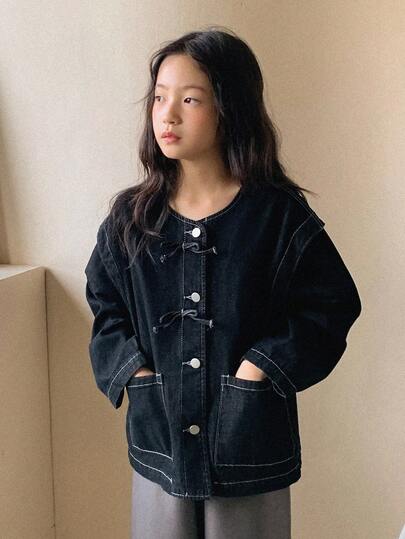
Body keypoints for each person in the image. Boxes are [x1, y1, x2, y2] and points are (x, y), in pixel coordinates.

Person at [84, 26, 362, 539]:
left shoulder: (277, 216)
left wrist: (259, 369)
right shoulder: (130, 218)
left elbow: (331, 305)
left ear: (229, 108)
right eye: (159, 98)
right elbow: (106, 308)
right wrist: (136, 374)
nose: (167, 115)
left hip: (248, 442)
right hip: (160, 437)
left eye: (189, 99)